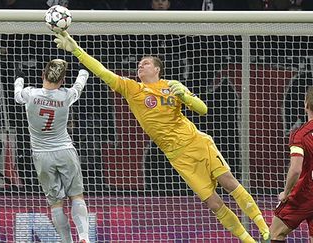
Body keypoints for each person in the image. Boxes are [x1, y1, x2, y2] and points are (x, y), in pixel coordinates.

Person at [54, 31, 270, 243]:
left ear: (157, 69)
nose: (140, 65)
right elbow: (102, 71)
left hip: (197, 142)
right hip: (177, 157)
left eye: (145, 63)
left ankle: (264, 230)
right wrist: (76, 50)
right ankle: (248, 240)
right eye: (139, 64)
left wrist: (184, 95)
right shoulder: (133, 89)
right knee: (214, 203)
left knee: (228, 182)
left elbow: (203, 109)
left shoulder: (171, 86)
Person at [14, 59, 90, 243]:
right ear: (63, 80)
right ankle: (84, 237)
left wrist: (19, 79)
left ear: (42, 75)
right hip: (65, 150)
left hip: (41, 155)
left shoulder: (30, 94)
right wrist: (83, 70)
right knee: (76, 196)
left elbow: (17, 95)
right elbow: (79, 85)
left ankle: (67, 241)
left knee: (56, 204)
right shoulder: (66, 95)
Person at [269, 86, 313, 243]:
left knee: (275, 234)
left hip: (305, 194)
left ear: (306, 104)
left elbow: (295, 170)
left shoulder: (300, 135)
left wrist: (286, 193)